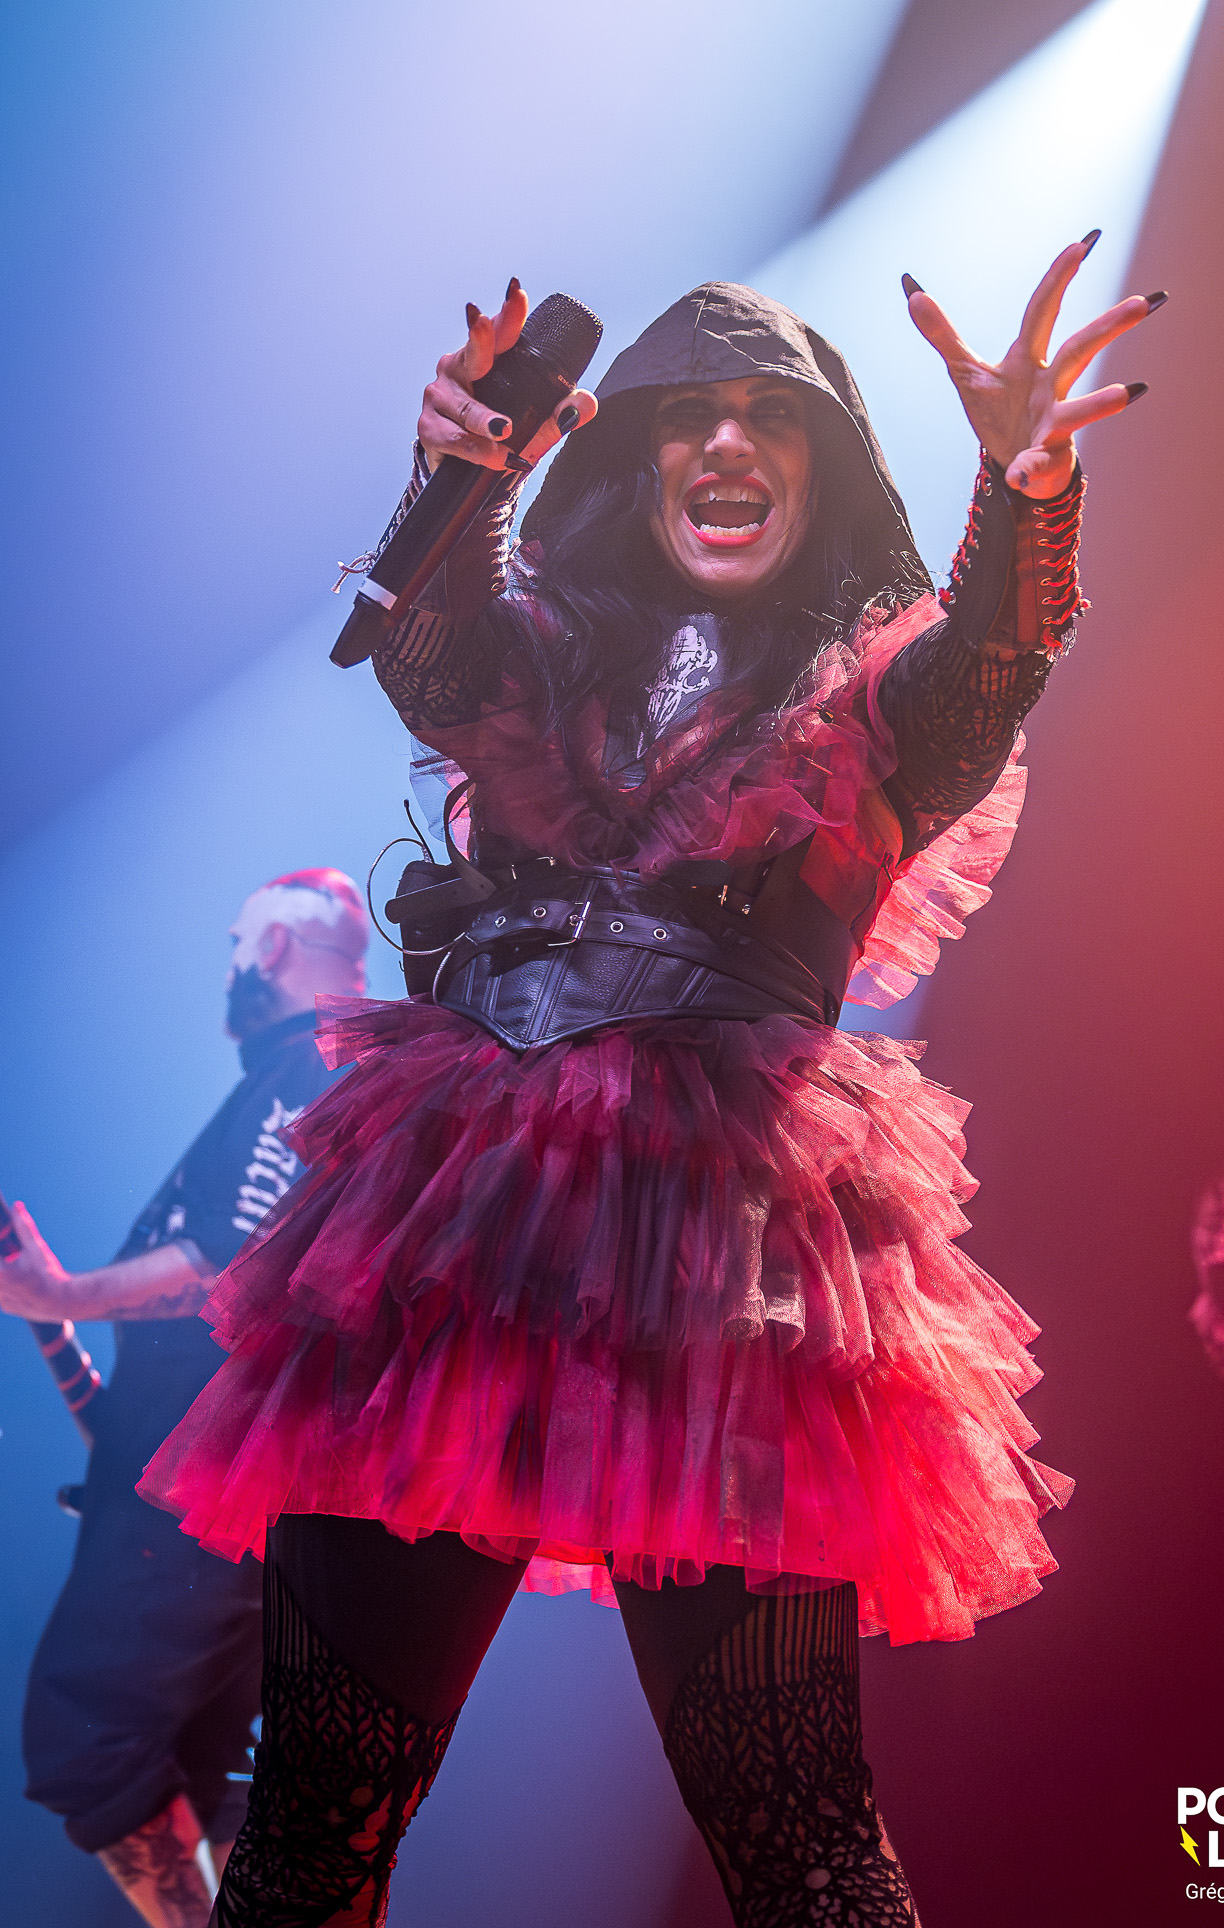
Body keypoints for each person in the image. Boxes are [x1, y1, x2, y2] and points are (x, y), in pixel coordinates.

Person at [142, 244, 1161, 1926]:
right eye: (690, 414)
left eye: (774, 415)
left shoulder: (879, 700)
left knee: (799, 1835)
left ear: (825, 469)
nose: (729, 441)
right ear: (634, 457)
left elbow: (989, 670)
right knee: (314, 1815)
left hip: (718, 1266)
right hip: (449, 1245)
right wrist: (467, 465)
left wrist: (1028, 490)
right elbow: (428, 655)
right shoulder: (539, 658)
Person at [2, 870, 369, 1928]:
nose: (229, 966)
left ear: (275, 945)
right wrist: (62, 1339)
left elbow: (234, 1255)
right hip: (223, 1497)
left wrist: (62, 1294)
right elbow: (192, 1362)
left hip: (203, 1509)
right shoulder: (310, 1071)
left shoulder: (313, 1060)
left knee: (89, 1741)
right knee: (209, 1770)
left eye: (237, 943)